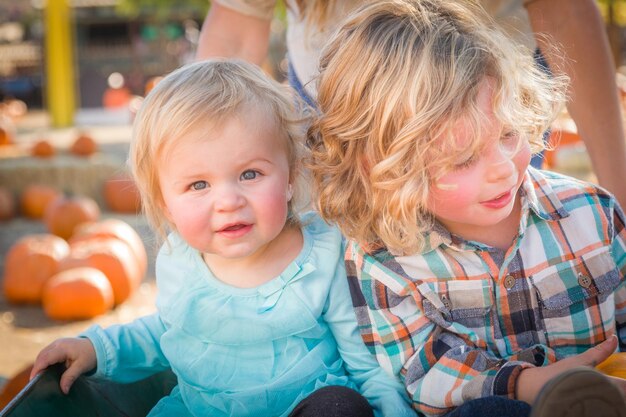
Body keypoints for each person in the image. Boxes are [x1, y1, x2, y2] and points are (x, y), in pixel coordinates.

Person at [29, 59, 414, 417]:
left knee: (341, 406)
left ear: (291, 176)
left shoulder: (324, 254)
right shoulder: (180, 260)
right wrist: (97, 349)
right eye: (199, 184)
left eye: (250, 174)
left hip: (302, 406)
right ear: (165, 204)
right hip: (203, 410)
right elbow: (165, 331)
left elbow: (364, 358)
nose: (229, 201)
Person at [307, 1, 626, 416]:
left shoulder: (592, 213)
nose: (501, 169)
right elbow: (424, 375)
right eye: (462, 160)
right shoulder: (384, 262)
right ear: (384, 168)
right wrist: (526, 385)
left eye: (509, 134)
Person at [196, 0, 626, 210]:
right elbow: (235, 29)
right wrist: (203, 170)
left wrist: (618, 188)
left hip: (483, 93)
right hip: (343, 104)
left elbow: (565, 9)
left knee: (495, 247)